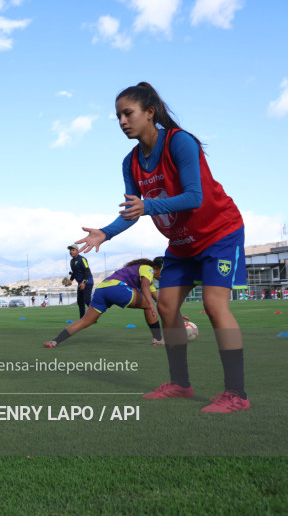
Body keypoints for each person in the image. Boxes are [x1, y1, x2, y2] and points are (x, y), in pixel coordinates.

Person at [74, 82, 248, 413]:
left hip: (218, 233)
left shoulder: (179, 141)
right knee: (166, 307)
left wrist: (148, 208)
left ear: (149, 112)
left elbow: (194, 197)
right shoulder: (131, 163)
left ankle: (237, 393)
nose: (123, 121)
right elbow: (132, 211)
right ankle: (180, 385)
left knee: (214, 306)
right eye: (118, 116)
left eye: (128, 113)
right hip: (182, 244)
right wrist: (104, 234)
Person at [44, 257, 164, 348]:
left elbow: (158, 298)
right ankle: (158, 339)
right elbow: (145, 287)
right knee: (148, 305)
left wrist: (175, 313)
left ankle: (55, 341)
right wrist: (152, 304)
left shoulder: (148, 279)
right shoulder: (148, 268)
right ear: (159, 268)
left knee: (85, 321)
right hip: (117, 288)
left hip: (102, 289)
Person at [68, 244, 94, 318]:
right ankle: (82, 319)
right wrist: (70, 280)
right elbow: (74, 273)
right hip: (80, 283)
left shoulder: (82, 259)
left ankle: (94, 316)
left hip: (87, 282)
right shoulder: (71, 262)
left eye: (73, 250)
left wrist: (84, 282)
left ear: (77, 251)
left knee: (87, 300)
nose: (71, 252)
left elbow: (87, 270)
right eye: (70, 250)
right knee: (80, 302)